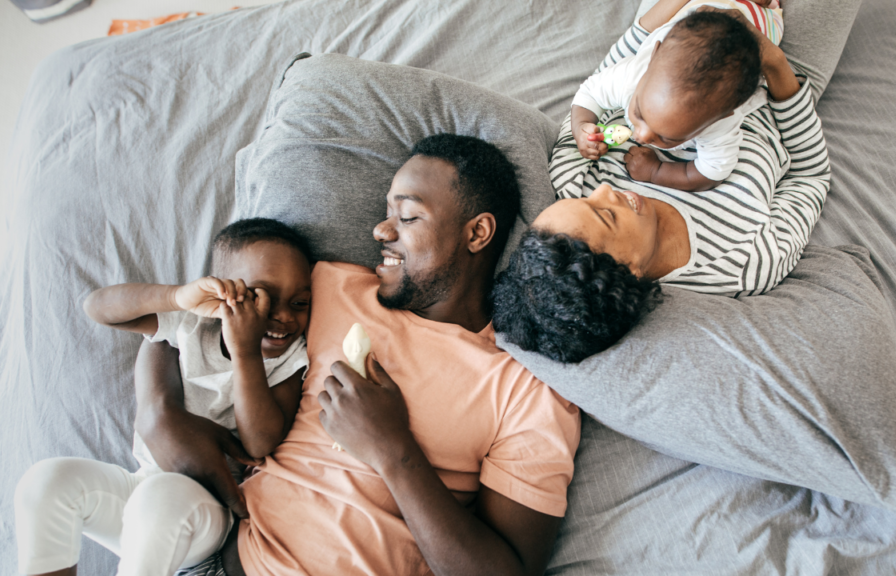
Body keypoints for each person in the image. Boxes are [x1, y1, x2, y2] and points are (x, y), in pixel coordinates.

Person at [137, 134, 582, 576]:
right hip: (225, 557)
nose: (381, 230)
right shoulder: (325, 287)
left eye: (407, 216)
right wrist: (158, 407)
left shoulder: (528, 390)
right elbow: (192, 317)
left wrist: (394, 451)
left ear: (477, 233)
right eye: (388, 211)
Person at [493, 6, 830, 363]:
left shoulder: (572, 175)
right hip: (783, 86)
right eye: (606, 214)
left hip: (674, 44)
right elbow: (811, 174)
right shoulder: (741, 263)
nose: (604, 190)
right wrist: (774, 61)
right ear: (631, 271)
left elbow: (616, 73)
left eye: (584, 198)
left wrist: (676, 22)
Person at [14, 218, 314, 576]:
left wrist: (246, 351)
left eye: (299, 302)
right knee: (47, 480)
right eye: (259, 298)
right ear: (223, 292)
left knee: (159, 500)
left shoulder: (290, 358)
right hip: (142, 488)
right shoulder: (191, 324)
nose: (283, 315)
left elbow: (261, 440)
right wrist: (176, 297)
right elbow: (98, 309)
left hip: (205, 513)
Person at [572, 0, 784, 191]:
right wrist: (581, 127)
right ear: (653, 56)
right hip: (697, 13)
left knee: (770, 17)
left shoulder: (720, 125)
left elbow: (710, 173)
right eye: (639, 113)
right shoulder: (633, 76)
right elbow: (589, 92)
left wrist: (657, 171)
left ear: (722, 117)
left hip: (755, 24)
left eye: (666, 138)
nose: (641, 136)